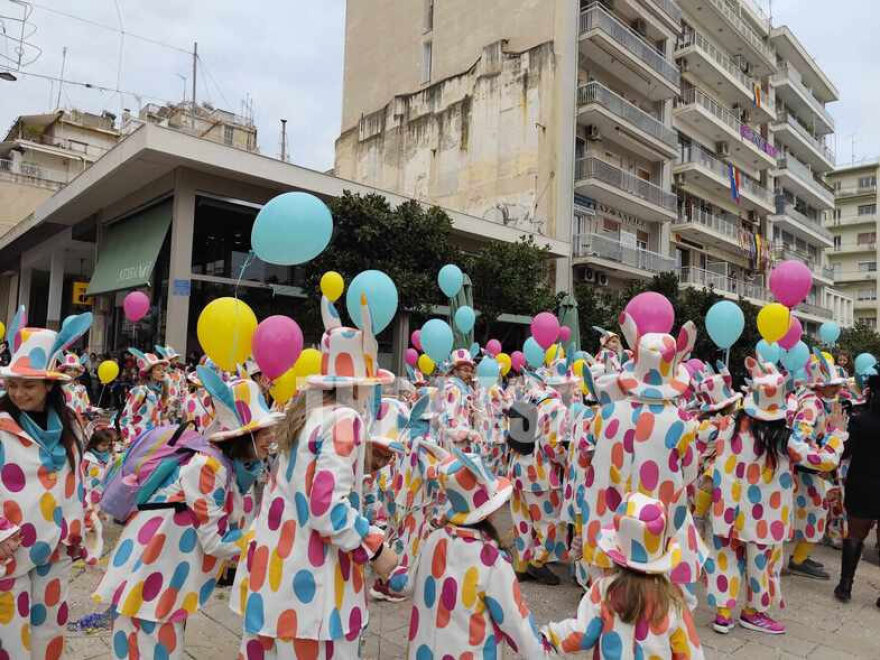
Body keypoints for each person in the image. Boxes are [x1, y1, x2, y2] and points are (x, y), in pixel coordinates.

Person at [232, 294, 398, 658]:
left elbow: (303, 483)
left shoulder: (305, 412)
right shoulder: (345, 418)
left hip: (275, 579)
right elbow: (326, 509)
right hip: (314, 592)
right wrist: (376, 547)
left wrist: (362, 464)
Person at [95, 368, 280, 660]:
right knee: (152, 644)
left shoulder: (223, 465)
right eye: (264, 431)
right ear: (243, 435)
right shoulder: (208, 467)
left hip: (165, 571)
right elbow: (214, 540)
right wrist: (266, 539)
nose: (271, 437)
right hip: (155, 570)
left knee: (153, 640)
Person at [581, 313, 707, 605]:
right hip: (656, 523)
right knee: (660, 598)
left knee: (607, 597)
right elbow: (690, 474)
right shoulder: (683, 421)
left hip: (609, 518)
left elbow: (588, 456)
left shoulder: (606, 413)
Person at [388, 449, 553, 658]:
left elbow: (407, 583)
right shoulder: (492, 560)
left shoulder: (433, 540)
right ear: (490, 509)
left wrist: (384, 563)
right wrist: (544, 651)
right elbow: (515, 622)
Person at [0, 307, 92, 657]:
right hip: (10, 552)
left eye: (29, 386)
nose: (20, 394)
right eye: (13, 385)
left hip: (57, 549)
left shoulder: (71, 424)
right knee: (10, 638)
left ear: (50, 385)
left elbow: (77, 479)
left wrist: (82, 523)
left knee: (50, 631)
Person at [542, 493, 705, 658]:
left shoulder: (604, 590)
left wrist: (550, 636)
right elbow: (689, 652)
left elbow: (581, 634)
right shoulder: (672, 601)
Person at [788, 351, 847, 579]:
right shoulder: (812, 405)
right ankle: (798, 560)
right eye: (832, 385)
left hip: (810, 469)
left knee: (816, 512)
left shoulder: (815, 401)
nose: (837, 389)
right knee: (817, 512)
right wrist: (822, 454)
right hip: (806, 470)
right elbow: (798, 439)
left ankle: (800, 556)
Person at [834, 373, 880, 605]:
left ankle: (845, 586)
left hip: (861, 483)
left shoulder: (860, 421)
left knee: (854, 535)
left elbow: (846, 451)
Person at [81, 418, 117, 565]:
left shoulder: (109, 458)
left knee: (94, 520)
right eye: (103, 445)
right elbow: (80, 475)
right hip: (86, 494)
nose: (106, 448)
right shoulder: (86, 458)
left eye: (108, 445)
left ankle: (88, 546)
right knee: (91, 522)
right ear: (94, 444)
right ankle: (90, 550)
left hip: (99, 495)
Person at [118, 349, 171, 445]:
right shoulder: (140, 391)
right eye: (158, 369)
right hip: (139, 440)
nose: (163, 373)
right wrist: (132, 441)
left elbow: (162, 417)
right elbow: (125, 419)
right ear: (150, 373)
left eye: (164, 370)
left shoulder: (158, 393)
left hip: (153, 441)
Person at [438, 348, 482, 452]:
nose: (469, 374)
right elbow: (449, 422)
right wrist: (468, 434)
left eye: (471, 371)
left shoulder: (464, 389)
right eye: (465, 370)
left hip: (462, 442)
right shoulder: (453, 389)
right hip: (455, 445)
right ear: (455, 370)